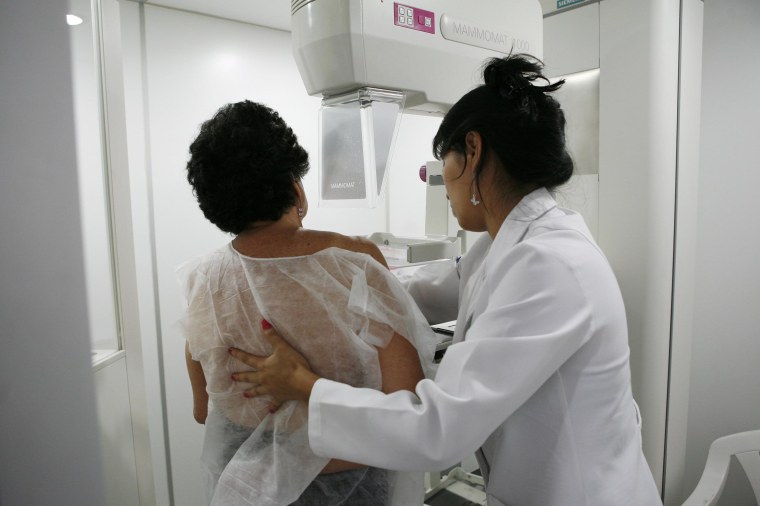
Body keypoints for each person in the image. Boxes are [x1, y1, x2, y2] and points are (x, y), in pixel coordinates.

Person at [229, 54, 663, 506]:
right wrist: (344, 280)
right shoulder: (511, 245)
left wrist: (304, 384)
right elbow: (433, 288)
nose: (445, 185)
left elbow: (437, 431)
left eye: (444, 162)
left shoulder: (550, 264)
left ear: (472, 153)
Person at [179, 100, 436, 505]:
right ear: (294, 186)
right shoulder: (354, 263)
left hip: (244, 490)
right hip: (351, 489)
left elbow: (203, 410)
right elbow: (408, 403)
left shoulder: (202, 281)